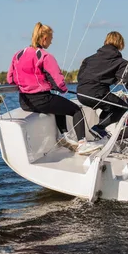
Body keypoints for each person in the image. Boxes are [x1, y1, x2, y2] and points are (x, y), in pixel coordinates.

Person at [7, 22, 102, 155]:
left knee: (58, 104)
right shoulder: (45, 56)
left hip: (24, 102)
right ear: (44, 38)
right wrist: (63, 89)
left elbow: (10, 79)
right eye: (50, 40)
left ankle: (63, 136)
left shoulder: (18, 55)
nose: (51, 43)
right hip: (41, 100)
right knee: (76, 110)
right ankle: (82, 144)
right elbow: (58, 81)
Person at [76, 31, 128, 138]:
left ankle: (99, 132)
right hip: (96, 94)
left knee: (109, 108)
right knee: (123, 108)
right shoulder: (120, 62)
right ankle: (99, 128)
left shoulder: (89, 59)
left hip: (80, 94)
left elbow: (80, 77)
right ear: (121, 44)